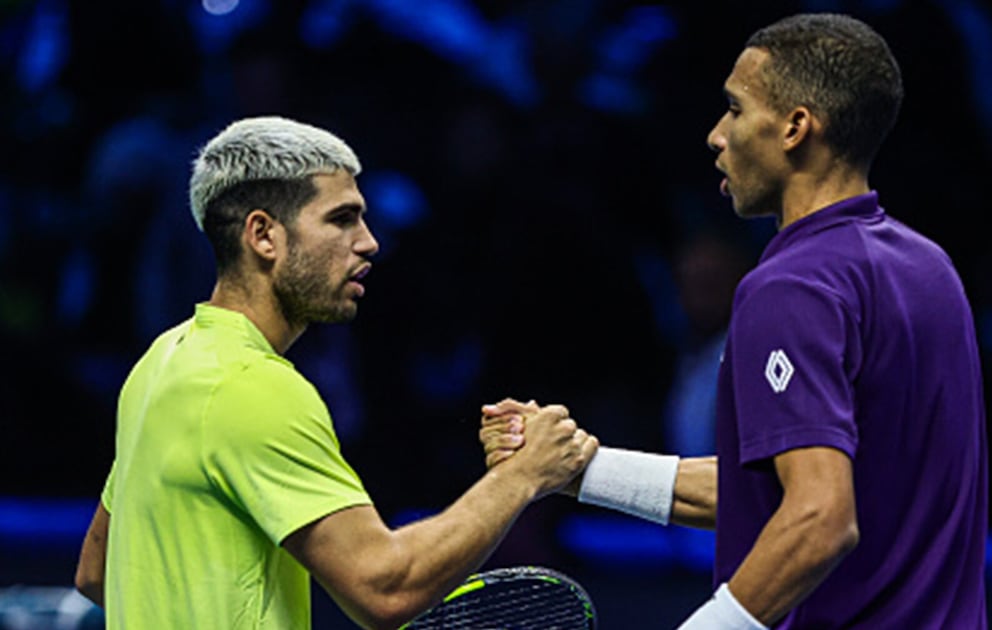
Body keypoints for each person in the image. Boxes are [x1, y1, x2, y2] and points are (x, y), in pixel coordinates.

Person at [482, 13, 988, 628]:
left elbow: (820, 518)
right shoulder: (930, 269)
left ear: (796, 126)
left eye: (735, 109)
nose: (716, 135)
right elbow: (780, 488)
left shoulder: (790, 286)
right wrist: (578, 469)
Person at [73, 116, 598, 629]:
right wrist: (523, 474)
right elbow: (385, 588)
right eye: (341, 219)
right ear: (263, 236)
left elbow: (97, 570)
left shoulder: (164, 361)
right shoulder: (254, 388)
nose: (369, 241)